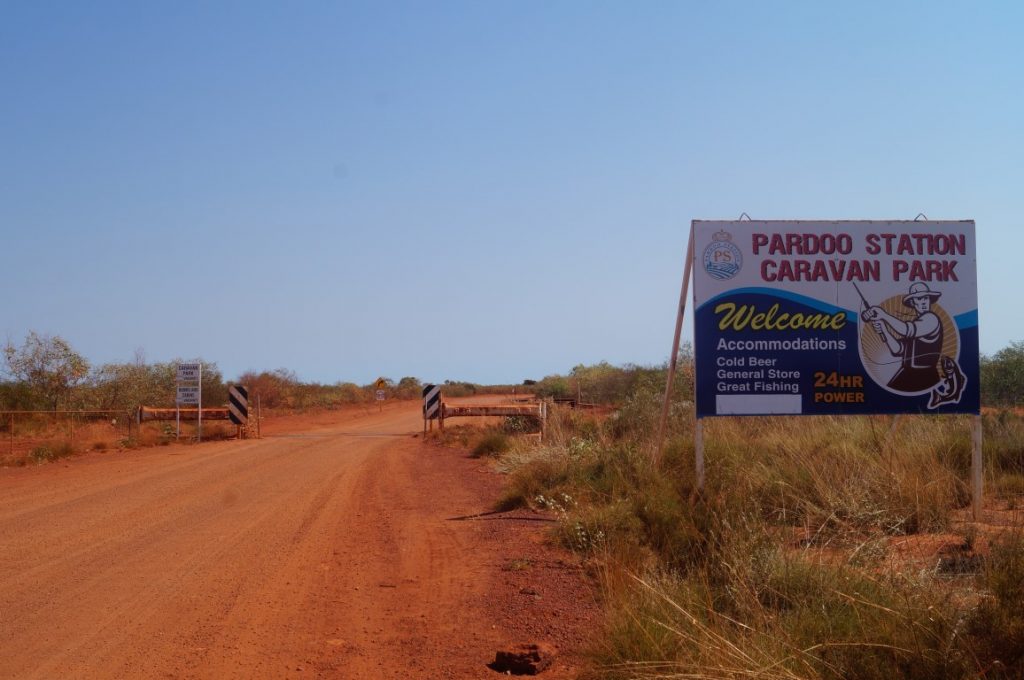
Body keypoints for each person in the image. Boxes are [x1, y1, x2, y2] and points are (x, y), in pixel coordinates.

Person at [864, 282, 944, 392]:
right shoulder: (917, 323)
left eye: (925, 298)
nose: (923, 302)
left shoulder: (931, 319)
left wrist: (884, 315)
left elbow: (906, 330)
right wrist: (884, 330)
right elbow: (898, 349)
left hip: (925, 375)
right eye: (919, 299)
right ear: (913, 302)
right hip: (907, 372)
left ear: (930, 299)